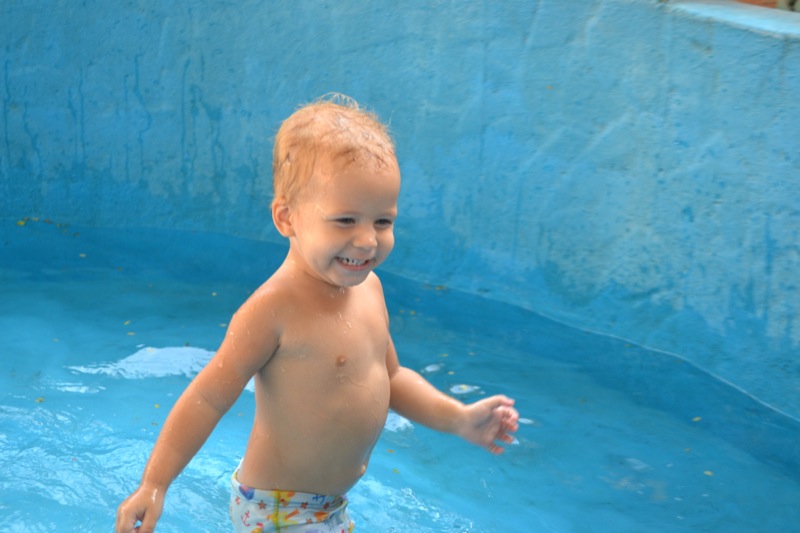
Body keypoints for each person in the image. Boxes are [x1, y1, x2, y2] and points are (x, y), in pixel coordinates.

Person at [115, 95, 519, 533]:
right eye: (345, 220)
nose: (367, 240)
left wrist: (459, 419)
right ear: (287, 218)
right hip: (278, 509)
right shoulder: (273, 309)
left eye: (383, 222)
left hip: (331, 506)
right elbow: (208, 398)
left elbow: (394, 379)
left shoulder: (370, 289)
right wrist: (154, 484)